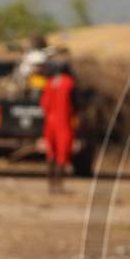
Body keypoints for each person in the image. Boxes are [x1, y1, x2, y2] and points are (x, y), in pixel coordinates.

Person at [40, 61, 76, 193]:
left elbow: (44, 105)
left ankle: (51, 185)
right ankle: (59, 185)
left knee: (51, 154)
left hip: (49, 122)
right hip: (64, 122)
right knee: (62, 154)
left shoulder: (48, 83)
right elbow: (75, 103)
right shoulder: (69, 82)